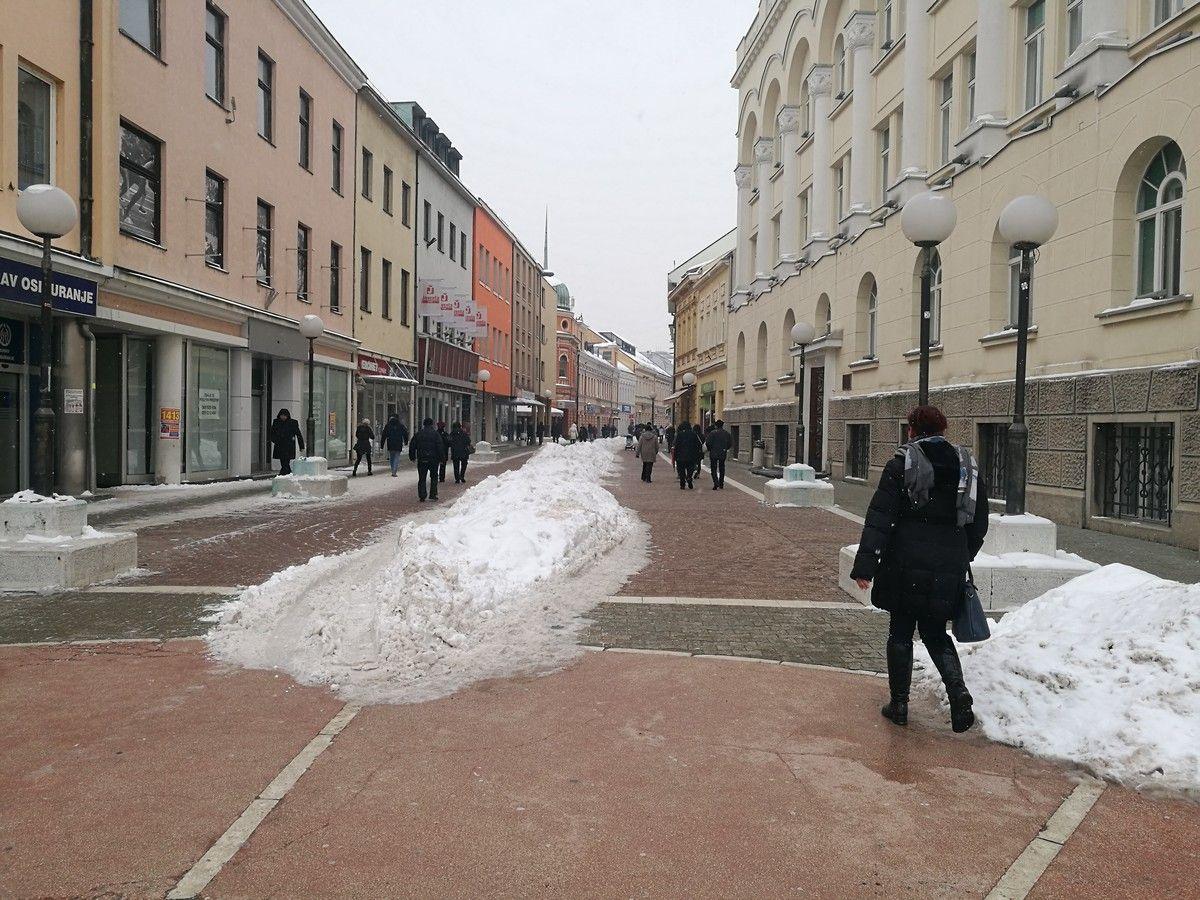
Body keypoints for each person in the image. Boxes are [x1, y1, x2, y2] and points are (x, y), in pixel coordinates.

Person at [850, 405, 989, 734]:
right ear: (943, 428)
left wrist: (865, 566)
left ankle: (899, 704)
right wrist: (960, 554)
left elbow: (880, 518)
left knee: (900, 631)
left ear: (912, 429)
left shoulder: (901, 463)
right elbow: (979, 521)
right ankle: (958, 694)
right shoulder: (966, 467)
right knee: (935, 632)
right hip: (947, 564)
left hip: (904, 561)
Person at [409, 418, 443, 502]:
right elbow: (440, 447)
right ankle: (433, 494)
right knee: (434, 477)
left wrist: (412, 457)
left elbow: (412, 445)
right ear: (432, 424)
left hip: (422, 458)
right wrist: (442, 458)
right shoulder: (436, 435)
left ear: (424, 424)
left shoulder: (418, 434)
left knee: (422, 477)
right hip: (433, 459)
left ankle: (422, 495)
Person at [270, 408, 303, 476]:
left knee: (286, 460)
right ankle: (287, 473)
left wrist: (301, 446)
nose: (283, 417)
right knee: (283, 460)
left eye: (285, 416)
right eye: (282, 415)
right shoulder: (276, 422)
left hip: (289, 445)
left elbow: (298, 434)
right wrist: (274, 440)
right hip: (279, 445)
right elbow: (272, 433)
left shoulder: (293, 422)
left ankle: (284, 474)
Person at [672, 419, 703, 490]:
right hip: (691, 455)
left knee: (681, 470)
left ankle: (682, 484)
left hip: (680, 455)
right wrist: (697, 453)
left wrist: (675, 455)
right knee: (690, 469)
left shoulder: (679, 435)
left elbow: (676, 445)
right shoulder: (694, 434)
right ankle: (689, 477)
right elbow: (698, 445)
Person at [704, 420, 732, 490]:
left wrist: (710, 449)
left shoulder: (712, 433)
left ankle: (716, 482)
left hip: (713, 453)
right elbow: (730, 443)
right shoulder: (726, 433)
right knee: (722, 467)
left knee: (713, 468)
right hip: (722, 452)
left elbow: (708, 443)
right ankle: (721, 483)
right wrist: (725, 448)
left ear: (716, 426)